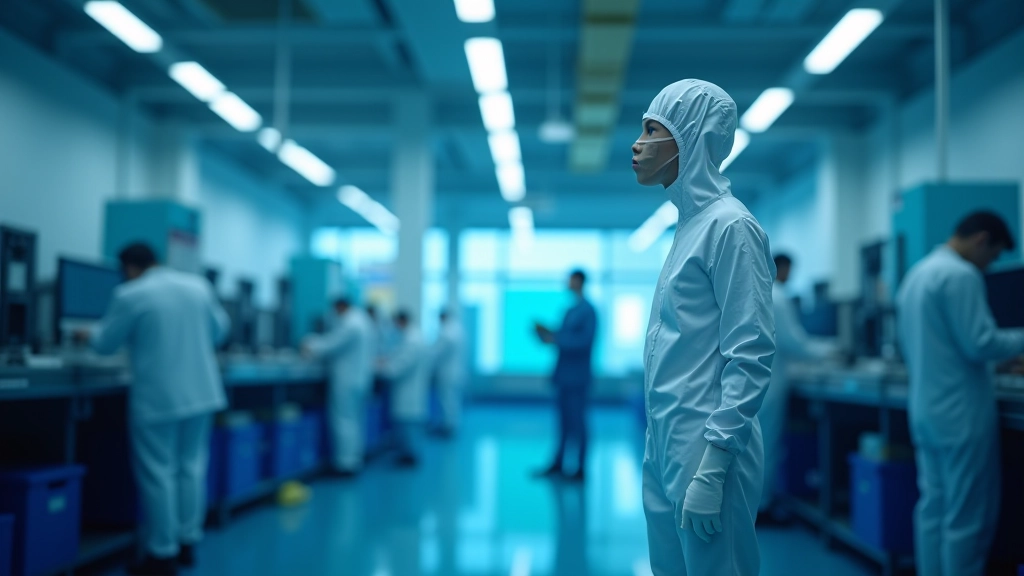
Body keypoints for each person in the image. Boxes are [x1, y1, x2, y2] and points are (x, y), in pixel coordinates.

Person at [631, 79, 776, 576]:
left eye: (653, 130)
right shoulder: (690, 225)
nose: (637, 142)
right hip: (667, 439)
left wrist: (713, 468)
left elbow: (751, 354)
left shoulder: (730, 227)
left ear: (691, 136)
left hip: (708, 446)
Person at [78, 243, 229, 576]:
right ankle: (188, 541)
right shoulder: (197, 285)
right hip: (202, 392)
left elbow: (105, 344)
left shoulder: (131, 293)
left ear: (129, 267)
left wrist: (85, 335)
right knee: (191, 467)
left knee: (158, 472)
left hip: (160, 397)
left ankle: (162, 554)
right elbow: (220, 331)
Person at [896, 211, 1024, 576]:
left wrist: (991, 363)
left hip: (926, 410)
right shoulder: (960, 275)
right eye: (994, 255)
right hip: (961, 415)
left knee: (934, 508)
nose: (990, 266)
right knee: (967, 517)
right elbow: (980, 342)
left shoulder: (917, 275)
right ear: (982, 240)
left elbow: (938, 346)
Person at [759, 254, 836, 523]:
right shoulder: (777, 296)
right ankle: (763, 508)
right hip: (769, 383)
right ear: (781, 268)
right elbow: (794, 343)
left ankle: (756, 505)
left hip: (756, 380)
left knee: (754, 447)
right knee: (766, 446)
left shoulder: (755, 291)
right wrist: (832, 351)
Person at [533, 269, 597, 482]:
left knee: (578, 422)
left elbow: (584, 341)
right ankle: (559, 463)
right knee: (562, 422)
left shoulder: (588, 311)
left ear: (579, 281)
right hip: (564, 375)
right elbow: (563, 337)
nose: (568, 283)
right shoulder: (571, 310)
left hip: (577, 377)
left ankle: (580, 468)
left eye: (571, 279)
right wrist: (548, 335)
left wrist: (557, 339)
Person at [302, 298, 376, 478]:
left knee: (343, 420)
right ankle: (353, 460)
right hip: (360, 380)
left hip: (347, 380)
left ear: (340, 307)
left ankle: (345, 465)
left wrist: (309, 344)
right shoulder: (362, 321)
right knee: (354, 421)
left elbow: (331, 344)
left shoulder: (351, 324)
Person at [378, 310, 431, 467]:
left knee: (408, 423)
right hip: (412, 388)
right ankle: (408, 454)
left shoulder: (411, 341)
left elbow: (397, 368)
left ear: (401, 321)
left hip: (408, 390)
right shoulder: (414, 337)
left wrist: (381, 367)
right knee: (409, 423)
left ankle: (410, 456)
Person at [431, 307, 466, 437]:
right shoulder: (457, 329)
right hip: (456, 371)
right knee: (452, 401)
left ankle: (448, 427)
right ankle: (451, 425)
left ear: (442, 317)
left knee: (447, 401)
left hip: (447, 373)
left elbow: (437, 352)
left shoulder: (446, 333)